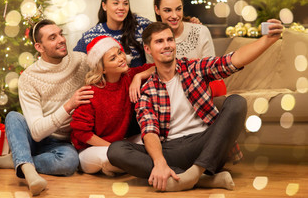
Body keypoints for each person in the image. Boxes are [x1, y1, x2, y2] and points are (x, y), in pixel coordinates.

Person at [107, 20, 283, 192]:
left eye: (169, 40)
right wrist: (160, 162)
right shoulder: (147, 90)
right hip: (171, 150)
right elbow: (149, 130)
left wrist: (266, 40)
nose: (167, 45)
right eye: (159, 41)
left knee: (237, 102)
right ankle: (203, 180)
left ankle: (194, 174)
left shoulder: (194, 68)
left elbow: (232, 60)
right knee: (116, 150)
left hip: (206, 144)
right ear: (148, 49)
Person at [0, 19, 94, 196]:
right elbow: (37, 132)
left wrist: (143, 74)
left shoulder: (81, 61)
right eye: (53, 38)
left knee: (70, 163)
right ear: (39, 47)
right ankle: (30, 174)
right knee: (14, 117)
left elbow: (110, 65)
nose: (62, 40)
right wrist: (69, 105)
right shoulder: (30, 77)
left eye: (61, 34)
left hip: (61, 142)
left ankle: (19, 160)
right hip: (35, 136)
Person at [70, 35, 154, 176]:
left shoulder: (128, 77)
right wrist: (115, 148)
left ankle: (123, 165)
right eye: (113, 58)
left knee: (153, 139)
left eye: (119, 53)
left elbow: (157, 67)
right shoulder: (91, 92)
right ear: (102, 69)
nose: (121, 58)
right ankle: (123, 164)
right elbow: (82, 133)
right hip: (91, 150)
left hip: (120, 144)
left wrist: (138, 77)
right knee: (109, 156)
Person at [152, 0, 226, 97]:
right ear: (157, 10)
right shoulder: (152, 38)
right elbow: (154, 75)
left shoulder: (200, 31)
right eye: (167, 10)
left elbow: (211, 71)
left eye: (178, 9)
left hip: (202, 93)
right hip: (169, 97)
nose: (174, 15)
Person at [73, 0, 152, 67]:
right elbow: (75, 63)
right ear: (104, 6)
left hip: (142, 78)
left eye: (125, 3)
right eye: (116, 3)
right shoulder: (91, 36)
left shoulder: (141, 25)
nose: (121, 8)